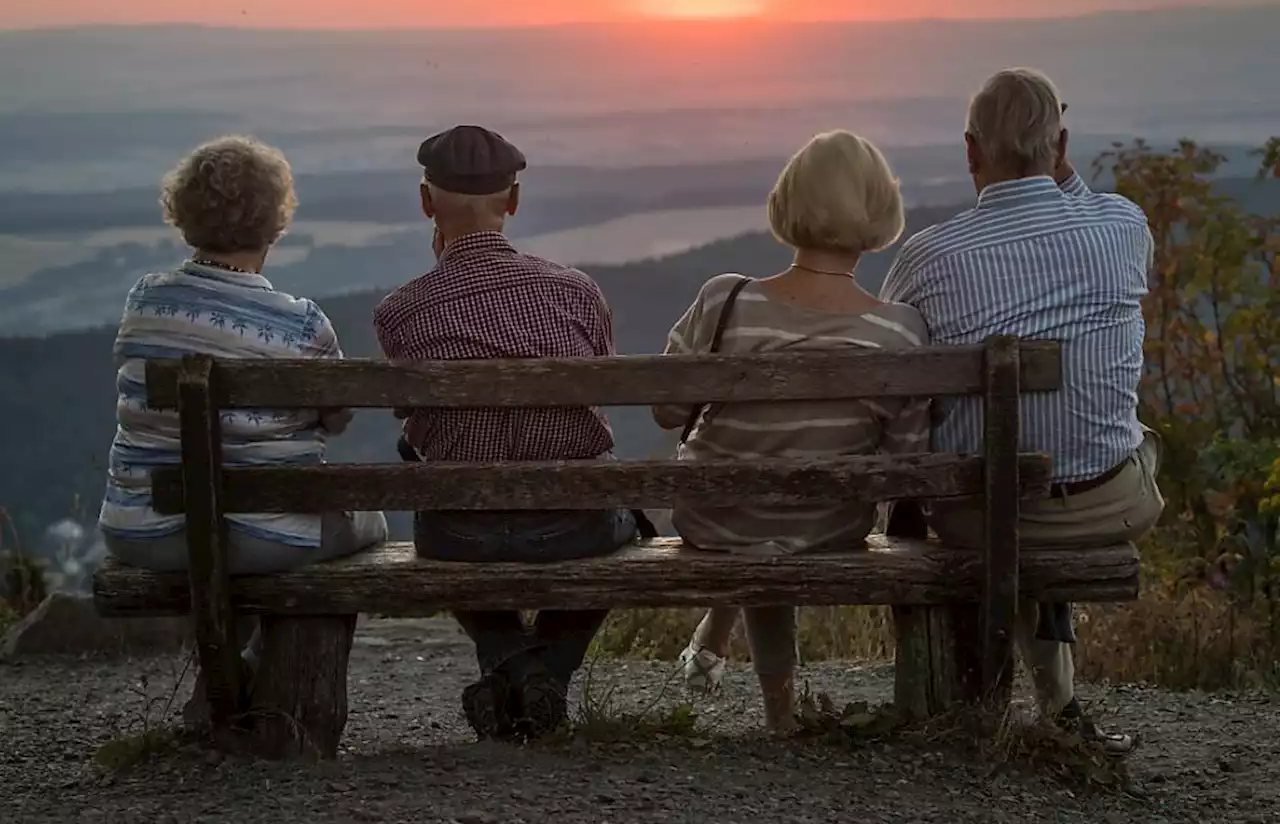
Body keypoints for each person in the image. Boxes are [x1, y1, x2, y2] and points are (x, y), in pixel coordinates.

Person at [880, 67, 1164, 754]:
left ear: (971, 152)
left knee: (1002, 469)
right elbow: (1086, 212)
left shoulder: (928, 257)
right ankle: (1058, 701)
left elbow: (892, 359)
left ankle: (995, 697)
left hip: (978, 516)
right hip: (1106, 504)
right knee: (1116, 439)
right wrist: (1061, 174)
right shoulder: (1123, 226)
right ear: (1060, 146)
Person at [98, 136, 389, 712]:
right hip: (265, 539)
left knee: (262, 530)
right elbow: (336, 420)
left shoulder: (144, 300)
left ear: (184, 216)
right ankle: (263, 679)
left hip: (142, 530)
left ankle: (221, 684)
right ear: (275, 223)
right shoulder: (302, 323)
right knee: (368, 527)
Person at [653, 130, 929, 735]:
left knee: (752, 491)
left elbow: (666, 413)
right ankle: (778, 718)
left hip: (713, 519)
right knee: (779, 502)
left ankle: (751, 679)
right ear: (879, 213)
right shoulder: (900, 332)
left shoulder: (725, 299)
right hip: (826, 525)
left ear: (787, 205)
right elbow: (907, 463)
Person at [373, 125, 637, 742]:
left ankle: (507, 665)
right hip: (573, 526)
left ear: (425, 200)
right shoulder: (576, 292)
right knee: (628, 522)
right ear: (513, 201)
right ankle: (544, 673)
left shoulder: (400, 312)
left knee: (445, 512)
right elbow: (597, 399)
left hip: (460, 532)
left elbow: (414, 422)